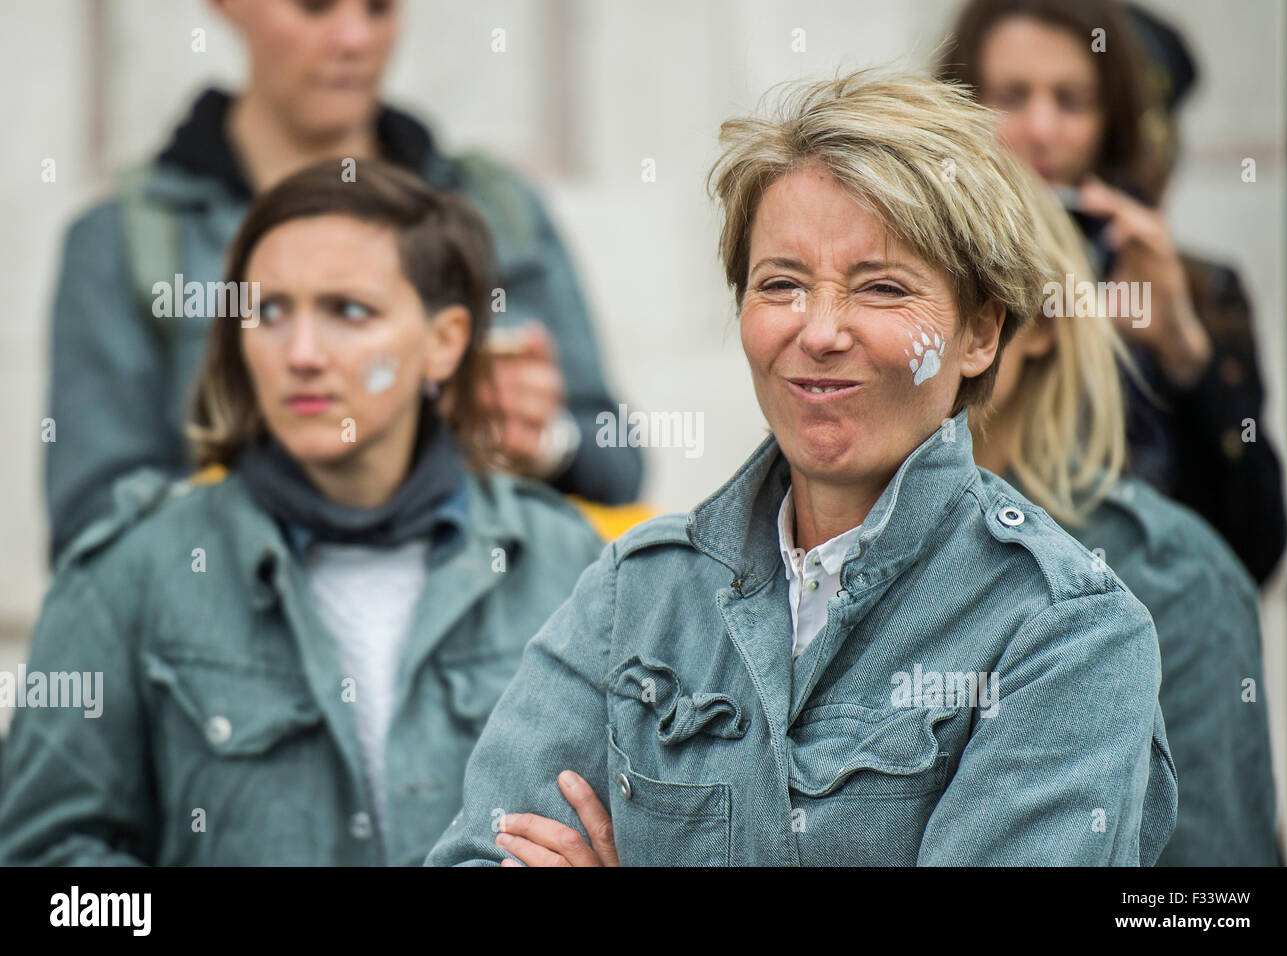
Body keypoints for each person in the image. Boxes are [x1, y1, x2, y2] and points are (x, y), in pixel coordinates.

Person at [425, 71, 1176, 867]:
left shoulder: (1064, 633)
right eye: (780, 283)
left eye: (881, 287)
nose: (819, 332)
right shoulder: (632, 595)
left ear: (982, 334)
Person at [0, 160, 604, 865]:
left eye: (349, 311)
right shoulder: (131, 575)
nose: (303, 354)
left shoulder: (568, 567)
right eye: (270, 312)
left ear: (443, 343)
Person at [44, 0, 641, 563]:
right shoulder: (128, 237)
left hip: (478, 642)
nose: (354, 38)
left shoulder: (496, 211)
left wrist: (541, 437)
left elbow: (620, 465)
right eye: (314, 5)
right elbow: (91, 528)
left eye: (379, 7)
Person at [972, 177, 1280, 865]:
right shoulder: (776, 558)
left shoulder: (1170, 578)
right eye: (794, 284)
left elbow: (1210, 904)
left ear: (1037, 325)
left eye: (904, 287)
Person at [938, 0, 1287, 584]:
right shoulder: (921, 280)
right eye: (1011, 97)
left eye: (1072, 101)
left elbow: (1256, 550)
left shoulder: (1197, 288)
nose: (1041, 130)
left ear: (1112, 120)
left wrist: (1182, 351)